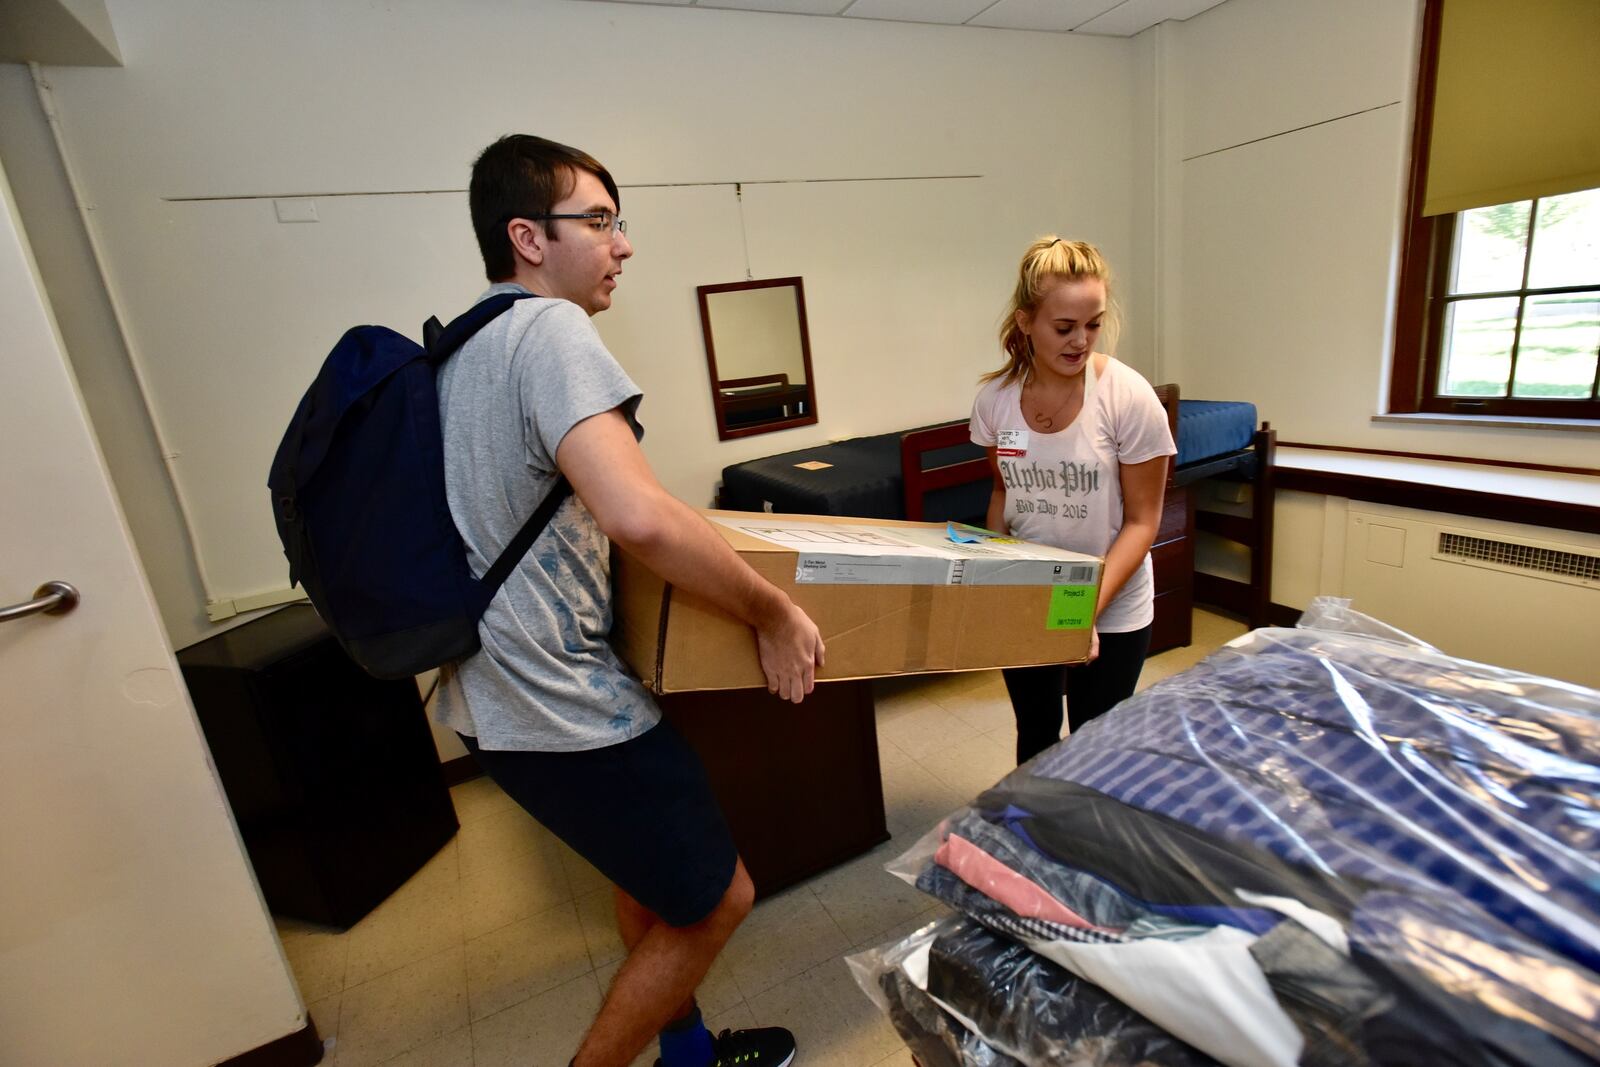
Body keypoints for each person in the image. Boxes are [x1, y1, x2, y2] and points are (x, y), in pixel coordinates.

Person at [435, 134, 824, 1067]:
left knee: (647, 878)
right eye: (600, 221)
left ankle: (687, 1056)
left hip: (489, 699)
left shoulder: (462, 348)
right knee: (718, 898)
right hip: (562, 703)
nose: (623, 244)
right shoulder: (550, 332)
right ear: (527, 236)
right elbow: (638, 517)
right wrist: (771, 609)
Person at [969, 236, 1175, 764]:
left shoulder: (1127, 397)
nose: (1081, 341)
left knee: (1093, 749)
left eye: (1093, 324)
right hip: (1030, 593)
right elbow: (1003, 491)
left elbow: (1143, 523)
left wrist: (1081, 615)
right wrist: (992, 577)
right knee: (1035, 735)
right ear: (1026, 323)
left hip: (1109, 603)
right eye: (1064, 327)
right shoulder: (995, 401)